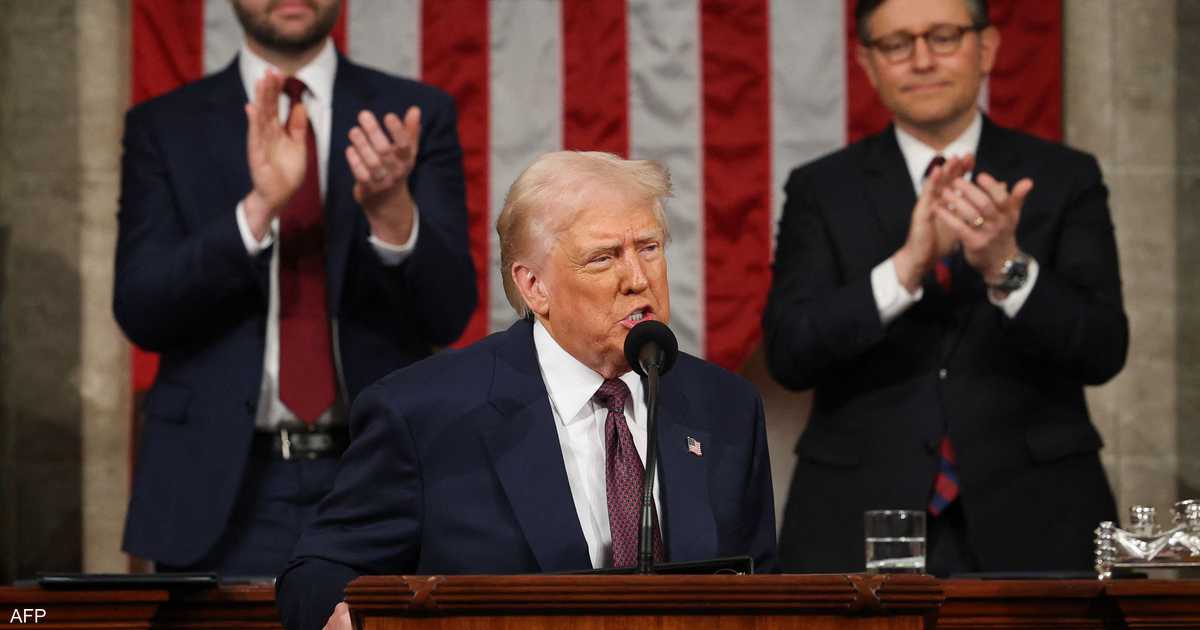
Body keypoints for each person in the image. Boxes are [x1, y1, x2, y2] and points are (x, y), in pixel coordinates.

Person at [276, 151, 777, 630]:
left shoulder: (726, 408)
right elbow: (315, 574)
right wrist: (347, 615)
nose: (637, 279)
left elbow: (763, 592)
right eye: (603, 258)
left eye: (649, 248)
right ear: (535, 286)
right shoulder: (423, 415)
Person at [114, 0, 476, 576]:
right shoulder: (164, 124)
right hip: (218, 491)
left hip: (379, 478)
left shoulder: (410, 115)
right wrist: (257, 211)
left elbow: (449, 313)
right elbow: (142, 309)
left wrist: (392, 215)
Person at [765, 0, 1126, 575]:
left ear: (987, 48)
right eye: (896, 44)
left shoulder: (1063, 177)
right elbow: (790, 353)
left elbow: (1104, 348)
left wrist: (1006, 266)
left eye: (943, 37)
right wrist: (905, 268)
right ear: (867, 63)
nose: (922, 60)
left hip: (1039, 517)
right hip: (857, 517)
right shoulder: (821, 189)